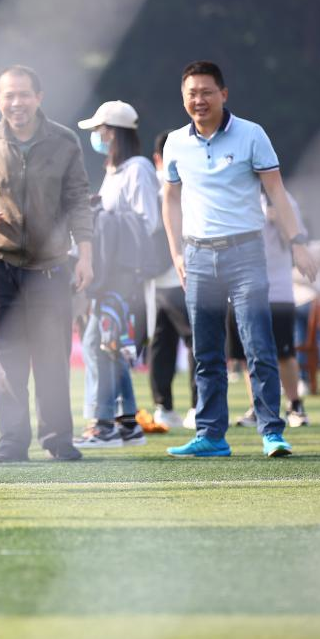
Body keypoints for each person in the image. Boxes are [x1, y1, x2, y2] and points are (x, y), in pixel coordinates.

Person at [161, 60, 318, 458]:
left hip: (246, 251)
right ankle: (211, 435)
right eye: (192, 93)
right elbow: (171, 199)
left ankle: (271, 432)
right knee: (206, 351)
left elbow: (276, 192)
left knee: (258, 344)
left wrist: (297, 242)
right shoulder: (175, 143)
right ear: (183, 97)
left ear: (223, 94)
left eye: (206, 92)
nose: (199, 100)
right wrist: (176, 252)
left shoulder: (251, 134)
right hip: (198, 255)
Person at [0, 64, 93, 462]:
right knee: (7, 356)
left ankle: (57, 439)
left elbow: (79, 200)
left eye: (24, 94)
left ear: (39, 97)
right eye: (9, 95)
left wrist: (86, 255)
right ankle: (12, 442)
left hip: (51, 265)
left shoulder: (65, 141)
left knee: (53, 355)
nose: (16, 102)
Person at [74, 100, 161, 448]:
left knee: (98, 341)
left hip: (124, 271)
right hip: (109, 270)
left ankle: (103, 423)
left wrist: (104, 218)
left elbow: (148, 221)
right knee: (110, 343)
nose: (96, 136)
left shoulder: (138, 168)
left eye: (100, 129)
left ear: (112, 132)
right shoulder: (114, 170)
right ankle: (127, 423)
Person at [227, 190, 310, 428]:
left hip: (278, 290)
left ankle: (294, 404)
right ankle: (257, 406)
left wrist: (278, 219)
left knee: (284, 353)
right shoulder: (237, 195)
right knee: (247, 354)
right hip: (242, 289)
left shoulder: (284, 199)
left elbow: (297, 243)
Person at [147, 129, 198, 431]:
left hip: (155, 279)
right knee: (195, 341)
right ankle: (197, 406)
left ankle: (163, 406)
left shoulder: (148, 183)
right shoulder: (179, 184)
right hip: (180, 274)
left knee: (161, 343)